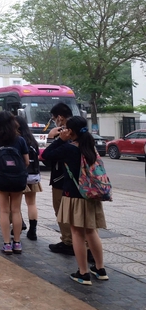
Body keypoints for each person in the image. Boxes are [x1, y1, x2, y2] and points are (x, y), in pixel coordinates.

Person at [41, 116, 108, 285]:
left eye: (65, 128)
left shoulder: (69, 148)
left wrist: (56, 139)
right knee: (91, 231)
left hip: (75, 196)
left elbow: (46, 155)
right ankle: (100, 269)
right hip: (91, 194)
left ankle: (83, 272)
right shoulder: (90, 146)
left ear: (70, 131)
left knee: (77, 233)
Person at [0, 111, 29, 255]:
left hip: (1, 179)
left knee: (4, 211)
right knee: (16, 210)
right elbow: (27, 162)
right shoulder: (20, 140)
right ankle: (17, 243)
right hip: (18, 179)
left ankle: (7, 244)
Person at [46, 103, 74, 255]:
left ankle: (68, 241)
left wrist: (52, 137)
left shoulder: (62, 133)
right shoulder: (78, 128)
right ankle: (82, 244)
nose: (54, 122)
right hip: (76, 180)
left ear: (60, 117)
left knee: (61, 211)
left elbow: (47, 156)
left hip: (60, 179)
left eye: (53, 118)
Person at [16, 116, 43, 240]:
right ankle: (33, 231)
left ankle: (19, 224)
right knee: (31, 203)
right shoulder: (32, 140)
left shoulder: (17, 140)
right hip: (33, 176)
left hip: (19, 176)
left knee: (14, 204)